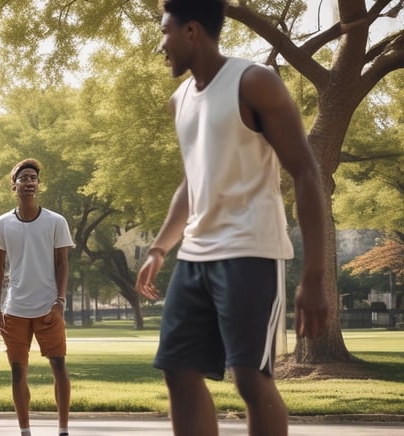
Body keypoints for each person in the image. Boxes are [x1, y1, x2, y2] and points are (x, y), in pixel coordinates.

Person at [135, 1, 330, 435]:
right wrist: (159, 247)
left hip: (251, 252)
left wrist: (314, 276)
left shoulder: (254, 82)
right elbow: (192, 182)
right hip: (194, 255)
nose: (160, 46)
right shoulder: (180, 99)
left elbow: (305, 172)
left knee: (249, 378)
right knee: (178, 370)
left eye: (164, 33)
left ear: (191, 31)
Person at [0, 159, 74, 436]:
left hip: (49, 308)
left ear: (38, 185)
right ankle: (25, 430)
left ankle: (63, 430)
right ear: (14, 186)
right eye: (23, 178)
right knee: (17, 372)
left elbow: (62, 263)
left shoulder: (56, 222)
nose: (29, 182)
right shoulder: (1, 224)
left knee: (58, 365)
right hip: (15, 310)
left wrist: (60, 302)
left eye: (33, 178)